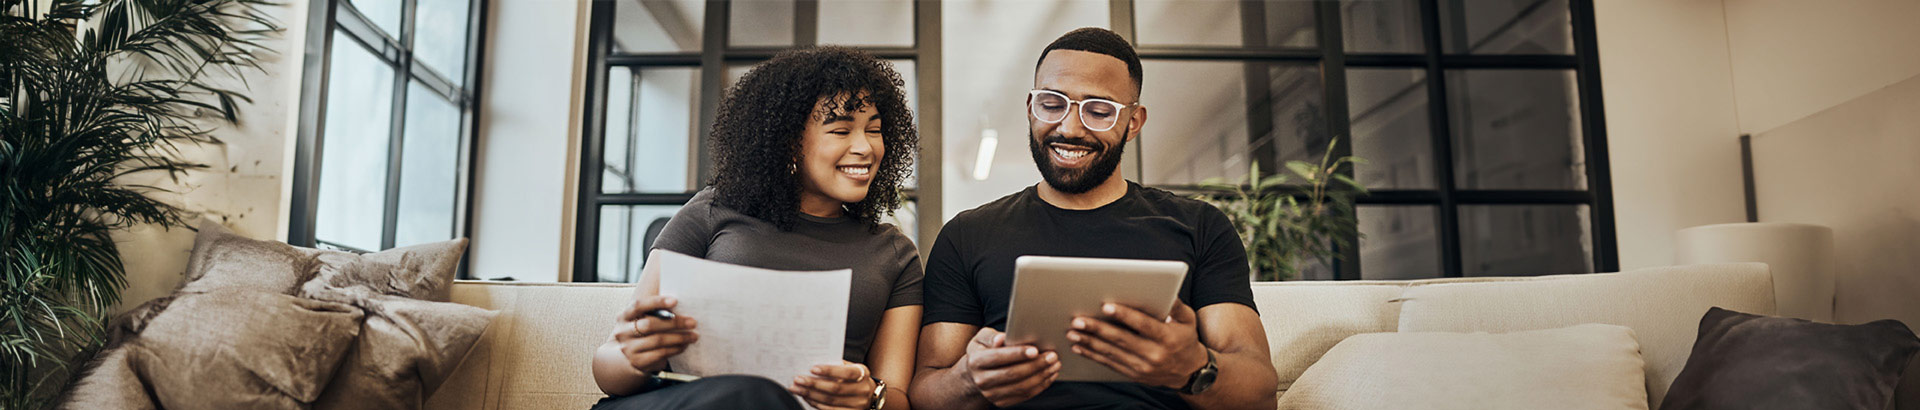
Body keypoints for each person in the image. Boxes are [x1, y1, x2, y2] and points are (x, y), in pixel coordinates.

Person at [907, 28, 1280, 410]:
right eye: (1052, 104)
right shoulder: (967, 235)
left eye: (1098, 111)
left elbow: (1262, 394)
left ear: (1134, 122)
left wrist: (1193, 369)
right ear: (1030, 107)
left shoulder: (1200, 226)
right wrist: (970, 378)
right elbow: (925, 391)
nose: (1069, 128)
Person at [590, 46, 922, 410]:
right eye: (841, 130)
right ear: (790, 143)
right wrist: (635, 354)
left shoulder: (894, 254)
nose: (865, 147)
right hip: (678, 403)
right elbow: (608, 371)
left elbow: (899, 399)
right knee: (753, 395)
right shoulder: (714, 210)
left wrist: (870, 396)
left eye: (874, 130)